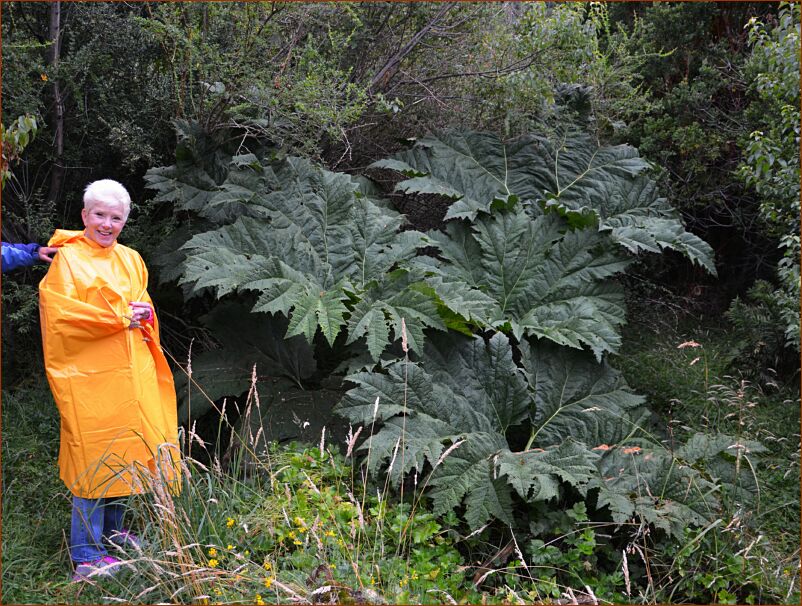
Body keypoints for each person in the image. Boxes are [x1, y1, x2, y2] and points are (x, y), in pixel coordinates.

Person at [38, 179, 179, 581]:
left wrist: (146, 316)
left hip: (131, 374)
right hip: (87, 378)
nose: (106, 223)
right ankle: (86, 555)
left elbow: (144, 305)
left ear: (124, 221)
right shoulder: (67, 260)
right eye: (99, 214)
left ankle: (115, 534)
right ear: (84, 215)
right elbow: (61, 316)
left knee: (126, 455)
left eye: (115, 217)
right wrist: (117, 319)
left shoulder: (132, 258)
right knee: (91, 458)